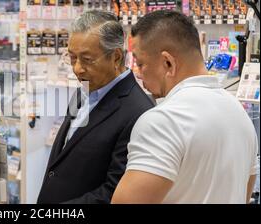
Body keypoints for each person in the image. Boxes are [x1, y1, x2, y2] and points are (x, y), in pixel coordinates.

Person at [112, 10, 259, 204]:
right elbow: (244, 193)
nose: (137, 73)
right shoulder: (239, 113)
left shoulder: (162, 121)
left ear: (168, 63)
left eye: (140, 63)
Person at [37, 9, 154, 204]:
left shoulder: (138, 113)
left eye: (87, 59)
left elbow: (114, 192)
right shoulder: (85, 88)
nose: (77, 68)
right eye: (73, 58)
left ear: (116, 57)